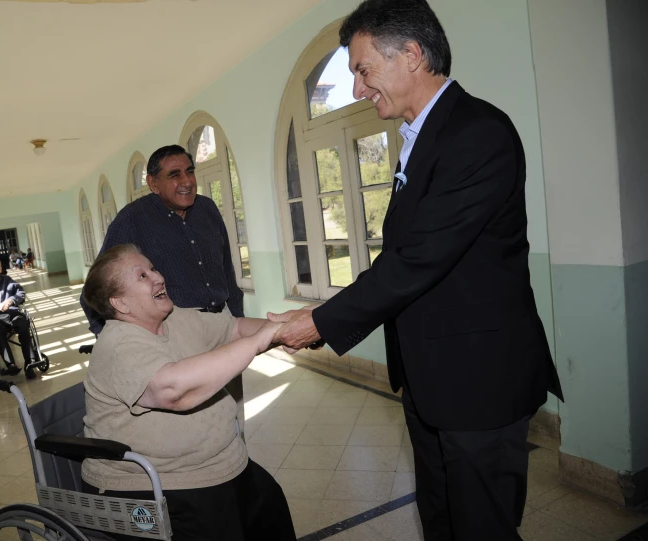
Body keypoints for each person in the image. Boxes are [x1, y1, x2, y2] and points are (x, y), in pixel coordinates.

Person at [268, 1, 563, 540]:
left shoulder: (476, 133)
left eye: (362, 69)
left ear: (412, 54)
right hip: (433, 381)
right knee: (442, 518)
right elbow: (403, 257)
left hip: (479, 383)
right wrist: (322, 313)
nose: (358, 88)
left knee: (482, 526)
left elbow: (419, 259)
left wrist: (320, 321)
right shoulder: (420, 137)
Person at [80, 244, 295, 541]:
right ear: (120, 303)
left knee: (270, 507)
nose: (158, 277)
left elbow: (234, 328)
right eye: (142, 276)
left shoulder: (174, 318)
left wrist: (288, 327)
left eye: (153, 268)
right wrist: (261, 340)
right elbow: (174, 391)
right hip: (159, 481)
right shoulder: (118, 345)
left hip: (221, 462)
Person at [80, 145, 247, 434]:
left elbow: (227, 271)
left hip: (222, 329)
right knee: (193, 426)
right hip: (177, 337)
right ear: (153, 183)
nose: (186, 181)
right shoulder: (132, 220)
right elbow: (95, 291)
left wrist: (238, 322)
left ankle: (234, 467)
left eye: (190, 171)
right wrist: (119, 341)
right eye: (174, 174)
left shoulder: (207, 209)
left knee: (231, 418)